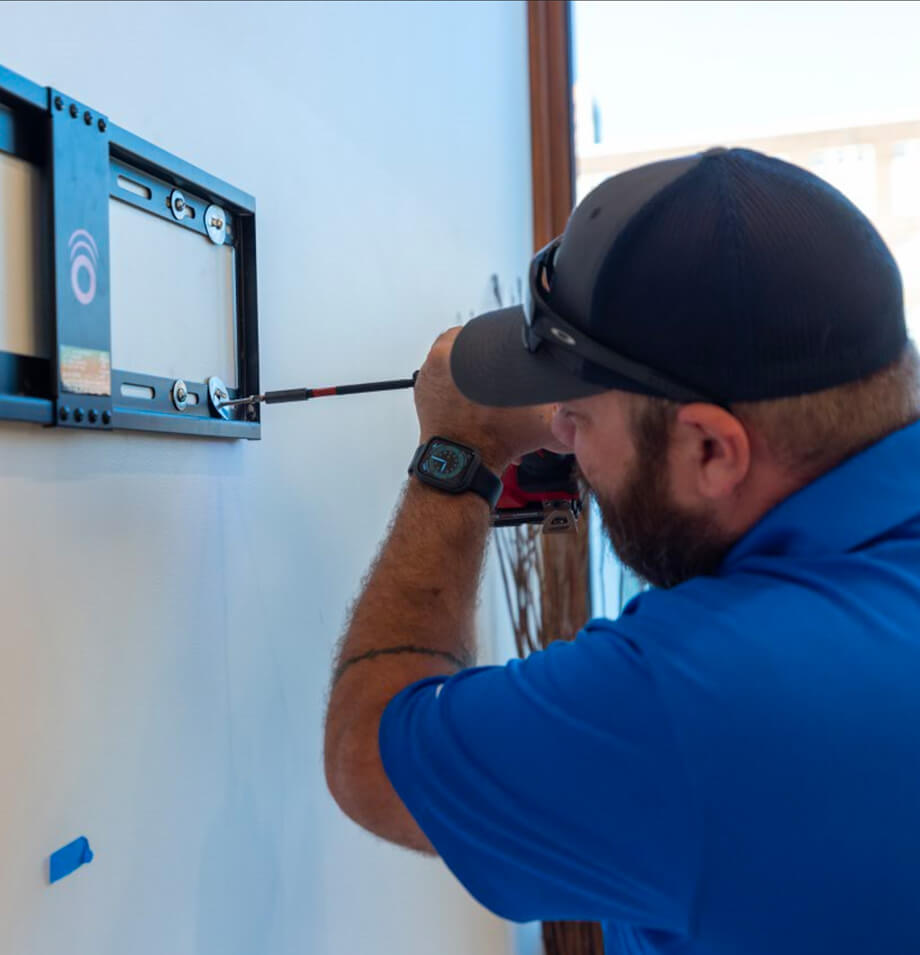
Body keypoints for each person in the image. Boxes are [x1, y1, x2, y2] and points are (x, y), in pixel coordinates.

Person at [323, 147, 920, 955]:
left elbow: (370, 752)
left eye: (579, 415)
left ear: (711, 449)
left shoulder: (699, 696)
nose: (558, 435)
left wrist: (454, 458)